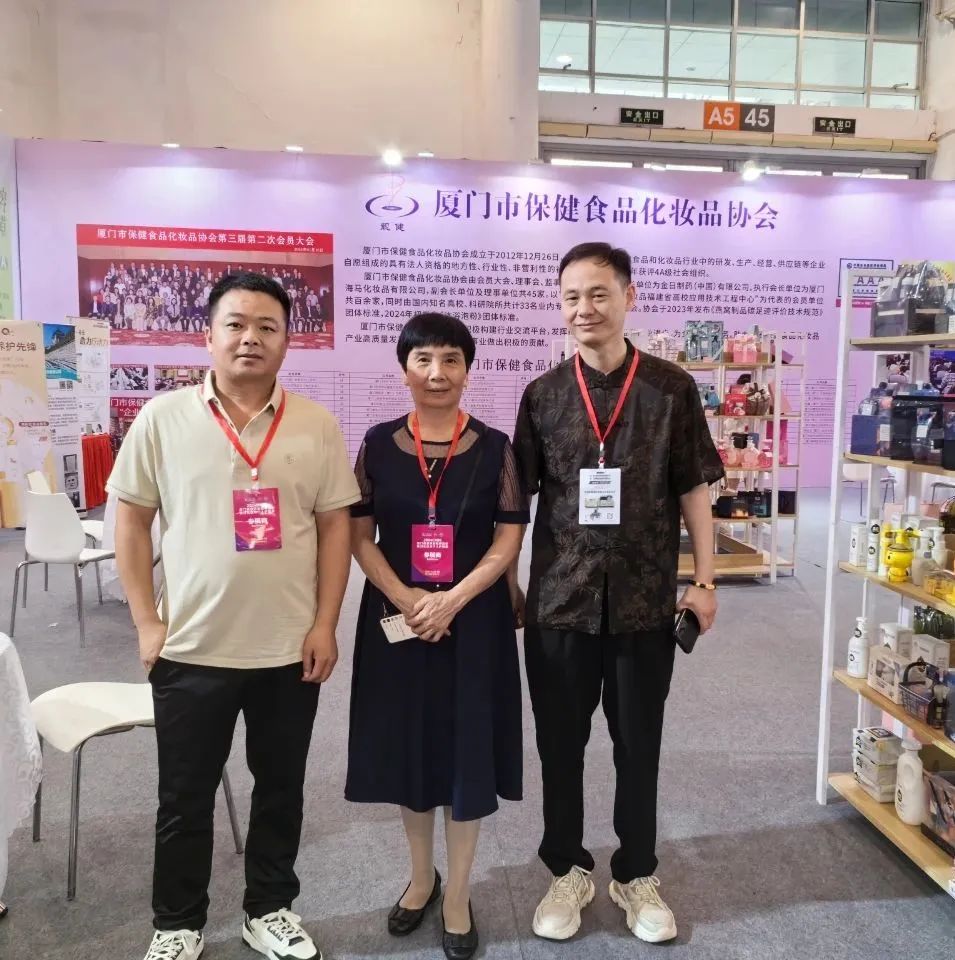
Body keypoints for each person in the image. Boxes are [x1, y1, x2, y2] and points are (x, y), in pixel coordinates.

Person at [109, 271, 359, 960]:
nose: (251, 338)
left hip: (288, 649)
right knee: (183, 798)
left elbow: (335, 528)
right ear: (208, 335)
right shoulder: (162, 418)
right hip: (191, 648)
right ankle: (177, 923)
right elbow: (130, 523)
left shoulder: (315, 424)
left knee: (280, 790)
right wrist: (146, 623)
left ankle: (269, 910)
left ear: (286, 340)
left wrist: (325, 623)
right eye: (236, 324)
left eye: (267, 326)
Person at [512, 242, 724, 945]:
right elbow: (518, 502)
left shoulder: (670, 388)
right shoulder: (543, 395)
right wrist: (510, 582)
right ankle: (567, 870)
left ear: (629, 296)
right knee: (559, 745)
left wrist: (703, 580)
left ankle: (635, 874)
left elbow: (693, 487)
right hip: (559, 603)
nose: (584, 309)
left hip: (642, 602)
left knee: (638, 745)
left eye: (598, 293)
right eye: (571, 296)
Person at [347, 313, 527, 960]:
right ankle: (421, 879)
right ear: (404, 370)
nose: (436, 373)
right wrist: (407, 598)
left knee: (466, 752)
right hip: (397, 624)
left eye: (450, 359)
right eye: (422, 359)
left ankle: (459, 894)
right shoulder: (375, 444)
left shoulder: (495, 448)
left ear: (467, 370)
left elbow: (508, 536)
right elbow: (358, 536)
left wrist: (452, 598)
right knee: (410, 750)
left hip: (473, 622)